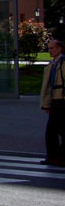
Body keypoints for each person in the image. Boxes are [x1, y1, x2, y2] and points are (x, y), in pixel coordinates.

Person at [39, 38, 65, 166]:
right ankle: (54, 157)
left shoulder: (62, 63)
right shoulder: (53, 64)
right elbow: (48, 86)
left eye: (52, 48)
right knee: (51, 131)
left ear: (60, 48)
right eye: (49, 48)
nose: (49, 50)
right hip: (55, 100)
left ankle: (58, 157)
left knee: (59, 130)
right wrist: (46, 104)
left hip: (62, 100)